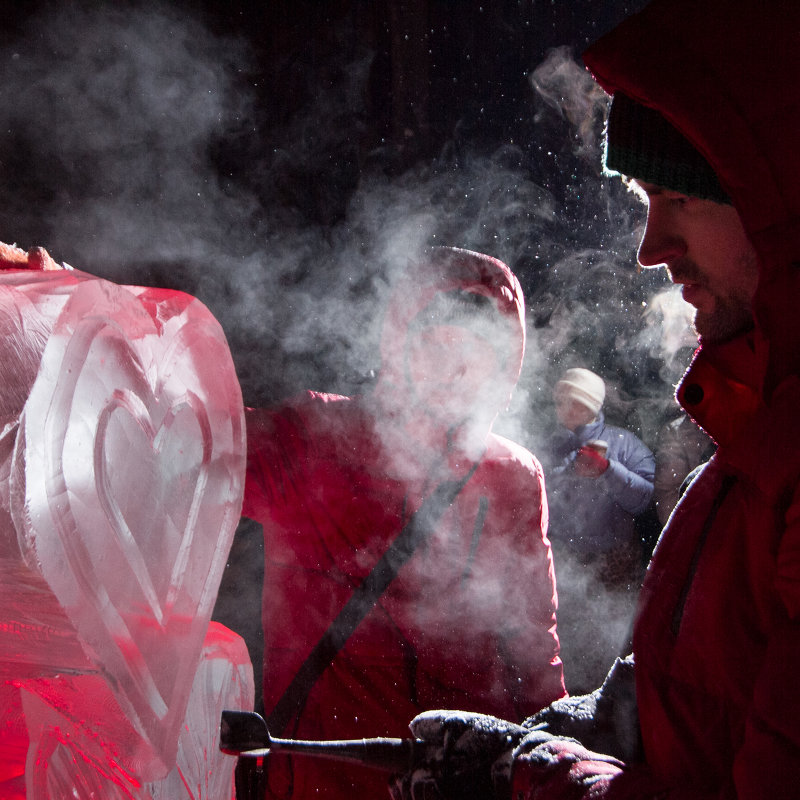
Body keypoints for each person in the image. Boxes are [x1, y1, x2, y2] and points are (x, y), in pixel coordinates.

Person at [389, 1, 800, 798]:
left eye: (679, 199)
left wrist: (548, 778)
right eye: (647, 204)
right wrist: (588, 722)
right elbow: (712, 689)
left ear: (773, 201)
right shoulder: (755, 437)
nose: (652, 249)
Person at [243, 246, 566, 799]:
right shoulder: (313, 438)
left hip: (456, 782)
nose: (456, 368)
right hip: (326, 779)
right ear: (399, 343)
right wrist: (67, 316)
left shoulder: (512, 477)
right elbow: (192, 439)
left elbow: (532, 645)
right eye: (436, 342)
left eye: (480, 350)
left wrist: (554, 754)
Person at [545, 366, 654, 693]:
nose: (561, 408)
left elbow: (644, 500)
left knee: (605, 645)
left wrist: (609, 470)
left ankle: (598, 711)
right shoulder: (552, 444)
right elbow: (536, 494)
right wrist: (570, 473)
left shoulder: (626, 443)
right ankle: (563, 702)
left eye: (569, 400)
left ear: (587, 404)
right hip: (564, 561)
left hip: (613, 564)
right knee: (561, 642)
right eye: (559, 400)